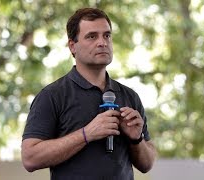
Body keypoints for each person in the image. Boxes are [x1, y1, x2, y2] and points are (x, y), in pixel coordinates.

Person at [21, 7, 157, 180]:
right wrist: (87, 133)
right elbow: (30, 158)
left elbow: (147, 164)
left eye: (107, 35)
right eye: (92, 36)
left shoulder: (130, 96)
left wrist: (136, 139)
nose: (102, 42)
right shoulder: (52, 95)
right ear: (72, 46)